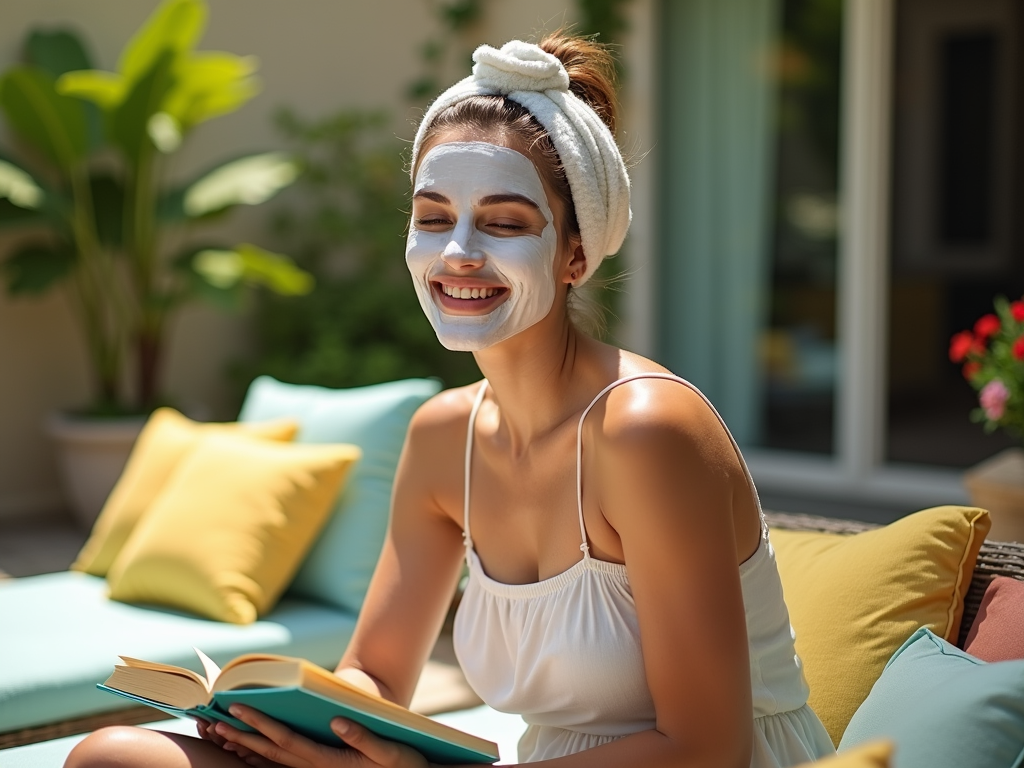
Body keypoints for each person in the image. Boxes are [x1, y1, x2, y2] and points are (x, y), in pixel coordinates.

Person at [65, 32, 835, 768]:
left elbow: (707, 748)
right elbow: (377, 674)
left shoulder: (645, 431)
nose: (458, 252)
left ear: (575, 254)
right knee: (115, 757)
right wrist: (279, 726)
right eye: (433, 219)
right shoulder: (445, 438)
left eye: (502, 222)